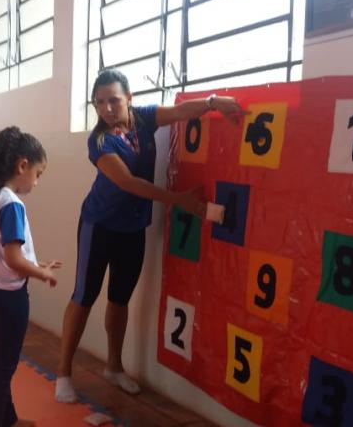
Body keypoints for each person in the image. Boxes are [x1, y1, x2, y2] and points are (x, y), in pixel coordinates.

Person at [54, 68, 244, 403]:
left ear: (129, 99)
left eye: (114, 100)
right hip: (99, 225)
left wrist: (214, 102)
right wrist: (181, 201)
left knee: (120, 298)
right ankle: (63, 373)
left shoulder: (143, 118)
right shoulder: (99, 141)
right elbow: (129, 183)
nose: (107, 109)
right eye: (99, 102)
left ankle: (114, 367)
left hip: (132, 228)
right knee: (84, 296)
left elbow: (181, 112)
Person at [0, 126, 62, 427]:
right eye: (38, 173)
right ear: (22, 165)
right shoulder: (12, 204)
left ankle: (8, 419)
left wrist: (37, 263)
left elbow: (6, 253)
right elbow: (13, 259)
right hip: (8, 296)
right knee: (4, 368)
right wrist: (41, 272)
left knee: (0, 361)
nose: (36, 182)